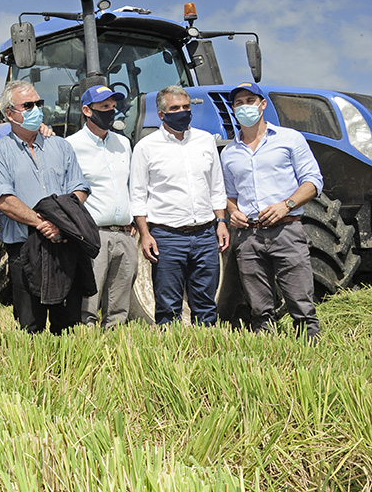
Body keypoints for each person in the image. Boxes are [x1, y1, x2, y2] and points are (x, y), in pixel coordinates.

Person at [0, 80, 91, 334]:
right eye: (28, 105)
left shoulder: (60, 146)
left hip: (63, 244)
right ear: (10, 113)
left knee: (67, 326)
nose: (36, 110)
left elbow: (79, 188)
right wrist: (42, 223)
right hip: (25, 248)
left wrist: (61, 224)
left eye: (38, 104)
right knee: (30, 325)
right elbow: (4, 200)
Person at [221, 82, 323, 341]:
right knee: (259, 308)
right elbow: (229, 195)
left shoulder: (290, 139)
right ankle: (268, 351)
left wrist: (285, 205)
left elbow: (313, 181)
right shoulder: (230, 152)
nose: (245, 107)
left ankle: (310, 347)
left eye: (250, 101)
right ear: (233, 109)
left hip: (286, 230)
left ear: (262, 104)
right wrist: (232, 212)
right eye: (239, 103)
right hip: (248, 236)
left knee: (300, 300)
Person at [130, 85, 229, 325]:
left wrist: (222, 222)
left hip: (205, 234)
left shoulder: (205, 141)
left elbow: (216, 186)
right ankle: (173, 356)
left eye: (186, 107)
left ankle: (205, 351)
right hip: (167, 236)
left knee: (206, 304)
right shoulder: (146, 147)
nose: (182, 112)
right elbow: (138, 195)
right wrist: (145, 234)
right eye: (175, 108)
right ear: (162, 114)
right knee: (168, 306)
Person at [66, 85, 138, 328]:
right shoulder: (71, 145)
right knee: (88, 302)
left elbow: (130, 185)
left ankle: (115, 346)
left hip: (125, 234)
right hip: (92, 234)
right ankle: (86, 351)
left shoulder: (123, 144)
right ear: (87, 110)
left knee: (119, 304)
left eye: (113, 106)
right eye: (104, 107)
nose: (111, 111)